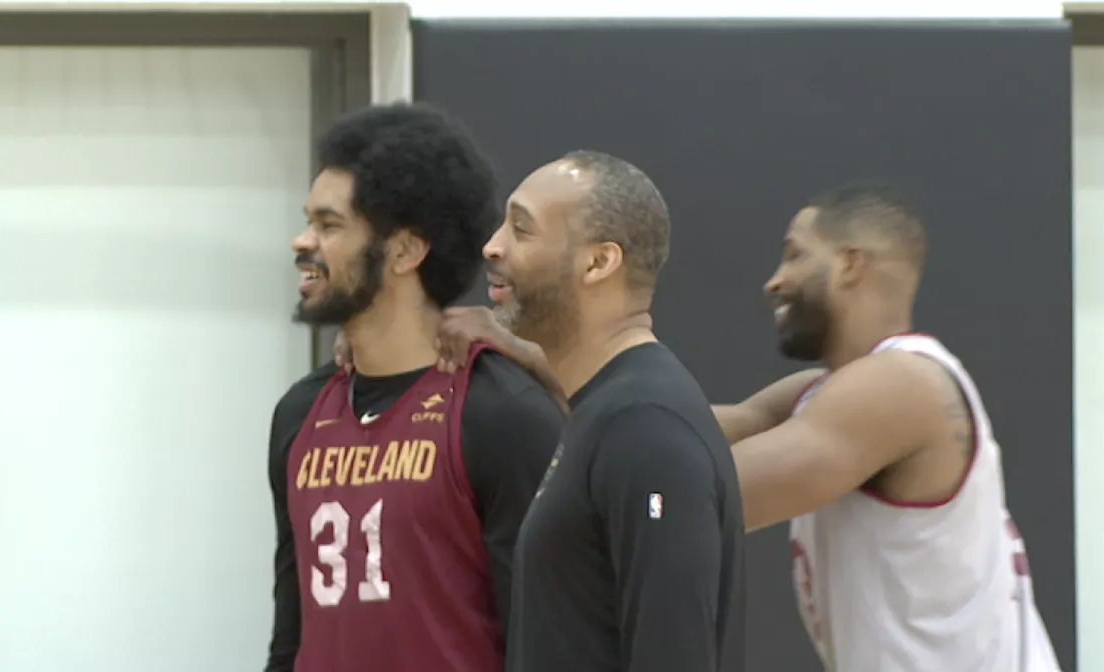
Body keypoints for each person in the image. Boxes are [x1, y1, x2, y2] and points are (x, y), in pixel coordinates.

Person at [425, 181, 1062, 672]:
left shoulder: (901, 388)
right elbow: (674, 428)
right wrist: (538, 351)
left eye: (794, 256)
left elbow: (677, 485)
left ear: (851, 264)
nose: (772, 281)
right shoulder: (824, 392)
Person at [343, 150, 747, 672]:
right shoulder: (603, 410)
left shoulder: (645, 426)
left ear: (599, 262)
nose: (493, 245)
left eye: (522, 229)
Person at [264, 102, 565, 672]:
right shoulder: (300, 413)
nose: (303, 242)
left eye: (329, 226)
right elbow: (291, 634)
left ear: (406, 249)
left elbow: (542, 642)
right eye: (309, 222)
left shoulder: (502, 415)